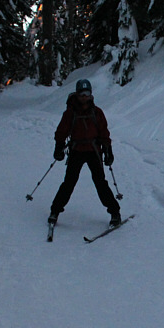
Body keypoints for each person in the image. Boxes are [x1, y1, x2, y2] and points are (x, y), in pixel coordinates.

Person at [49, 79, 121, 227]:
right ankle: (55, 211)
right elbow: (61, 131)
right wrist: (59, 147)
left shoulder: (97, 112)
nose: (84, 96)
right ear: (76, 94)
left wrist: (108, 151)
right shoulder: (70, 113)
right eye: (81, 93)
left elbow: (104, 133)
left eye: (87, 93)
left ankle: (115, 212)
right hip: (76, 151)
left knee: (100, 183)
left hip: (93, 151)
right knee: (69, 182)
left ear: (91, 94)